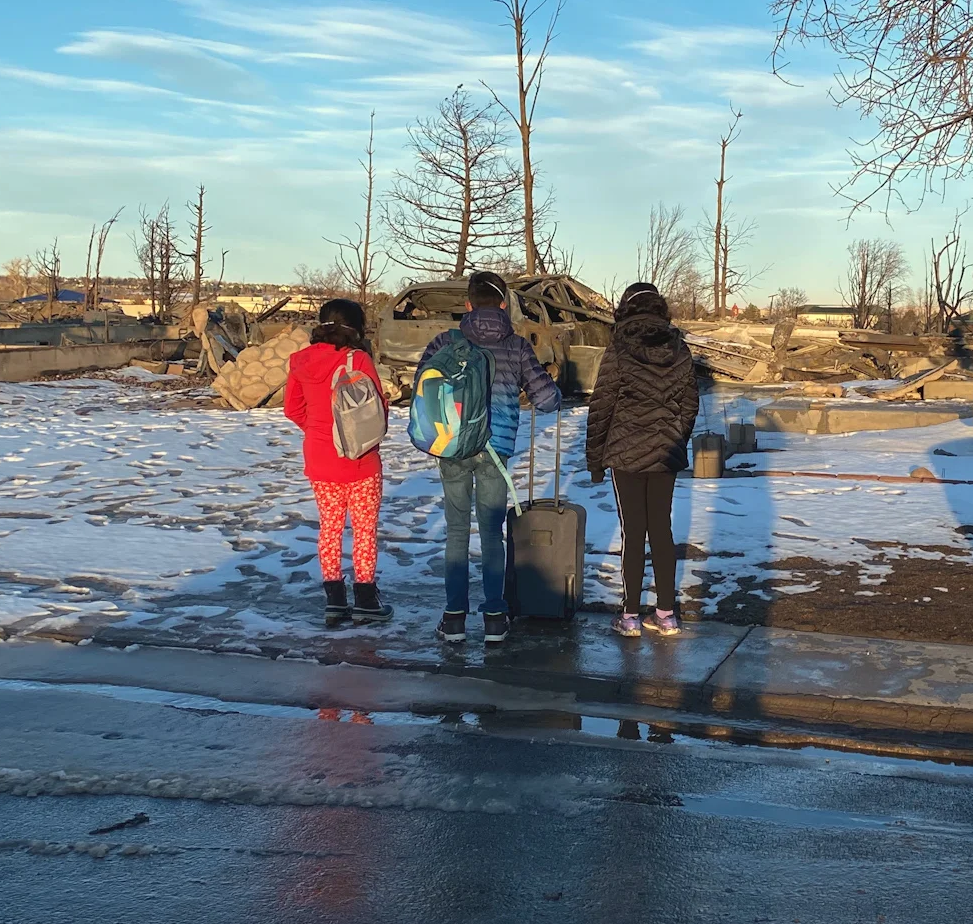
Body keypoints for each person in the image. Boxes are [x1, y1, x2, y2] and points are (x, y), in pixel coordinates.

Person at [420, 272, 562, 645]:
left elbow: (422, 390)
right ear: (503, 305)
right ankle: (495, 619)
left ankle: (454, 619)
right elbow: (547, 400)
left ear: (467, 304)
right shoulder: (516, 345)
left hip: (452, 446)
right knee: (490, 533)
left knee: (455, 531)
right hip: (495, 451)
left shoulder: (443, 341)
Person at [585, 283, 700, 637]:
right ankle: (666, 613)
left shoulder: (619, 349)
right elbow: (690, 404)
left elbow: (601, 407)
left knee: (633, 533)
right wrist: (674, 438)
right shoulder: (680, 351)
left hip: (625, 453)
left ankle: (631, 615)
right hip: (665, 455)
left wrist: (595, 458)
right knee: (661, 530)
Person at [284, 298, 393, 627]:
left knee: (329, 529)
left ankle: (334, 601)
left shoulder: (299, 360)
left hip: (320, 459)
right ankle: (365, 600)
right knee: (364, 531)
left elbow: (292, 408)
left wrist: (318, 431)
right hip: (359, 460)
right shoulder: (357, 359)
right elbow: (377, 410)